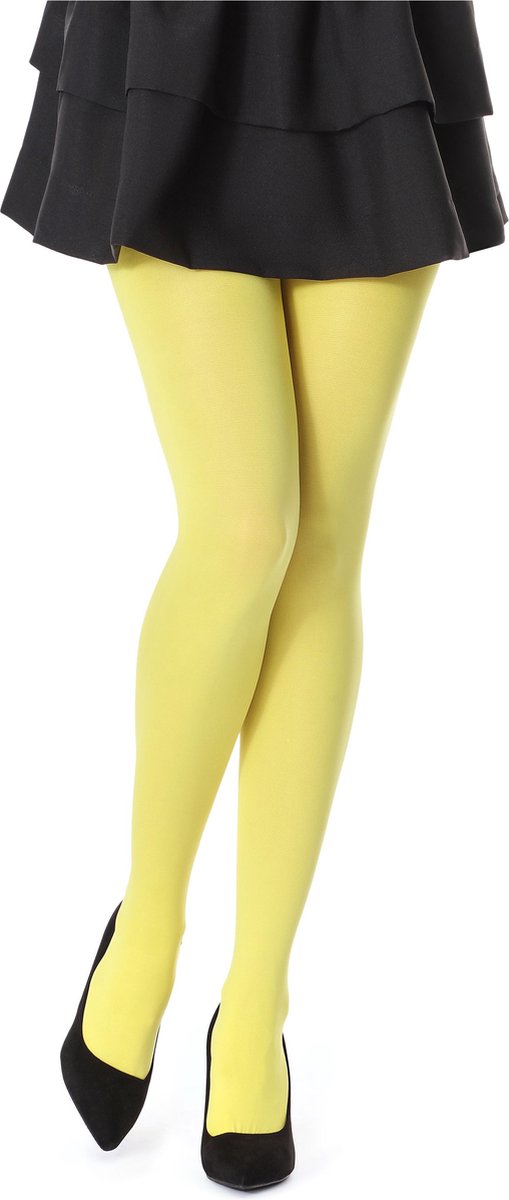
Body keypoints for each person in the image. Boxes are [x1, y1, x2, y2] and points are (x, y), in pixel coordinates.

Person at [1, 2, 506, 1189]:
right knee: (242, 530)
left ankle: (255, 1000)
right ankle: (147, 932)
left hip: (366, 30)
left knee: (321, 542)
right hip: (176, 26)